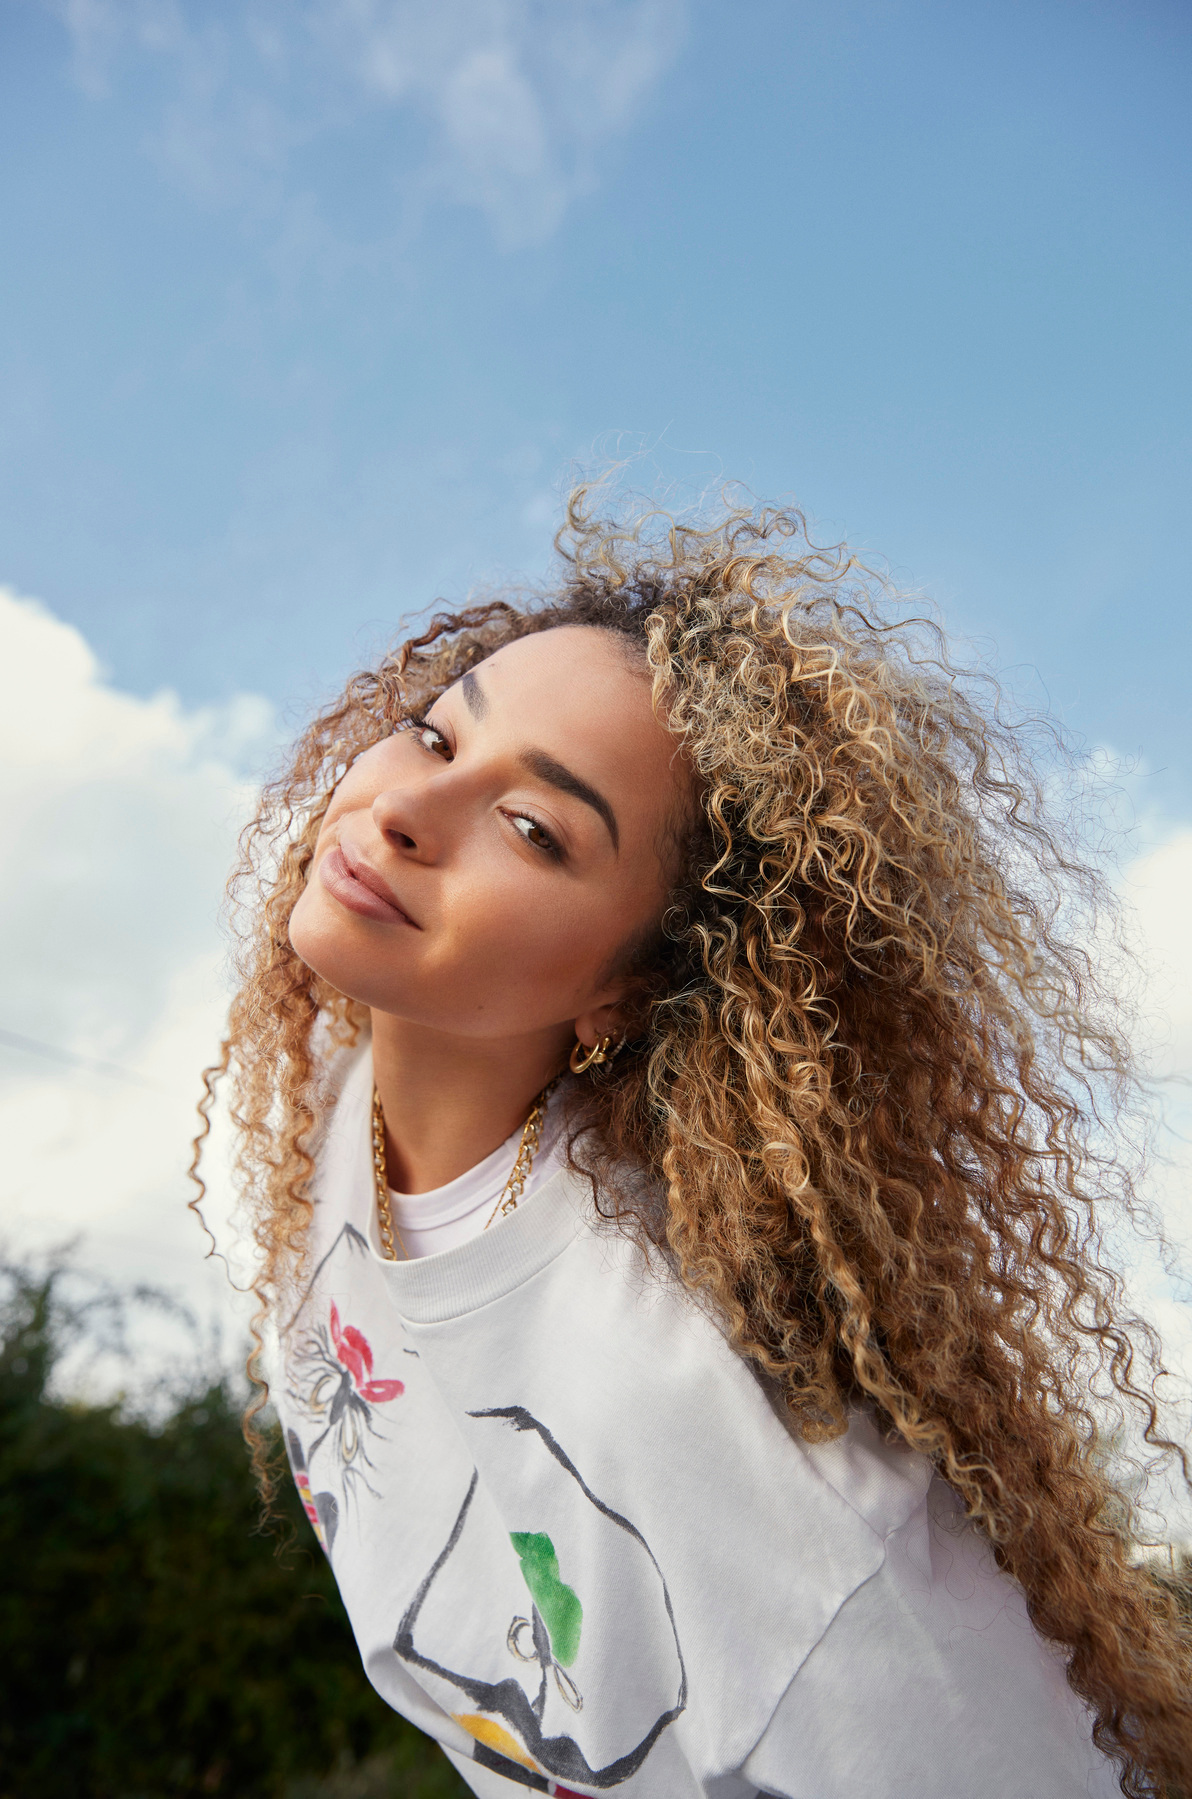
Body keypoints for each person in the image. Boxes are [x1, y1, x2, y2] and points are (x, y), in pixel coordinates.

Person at [193, 491, 1192, 1798]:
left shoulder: (714, 1430)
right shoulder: (333, 1109)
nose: (407, 808)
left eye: (535, 829)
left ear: (626, 989)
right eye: (434, 732)